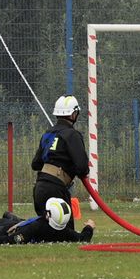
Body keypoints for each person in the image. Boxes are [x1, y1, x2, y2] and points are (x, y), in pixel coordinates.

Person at [26, 94, 96, 242]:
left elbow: (36, 164)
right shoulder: (72, 135)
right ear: (73, 113)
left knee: (45, 233)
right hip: (56, 189)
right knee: (66, 235)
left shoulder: (48, 134)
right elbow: (82, 167)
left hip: (40, 187)